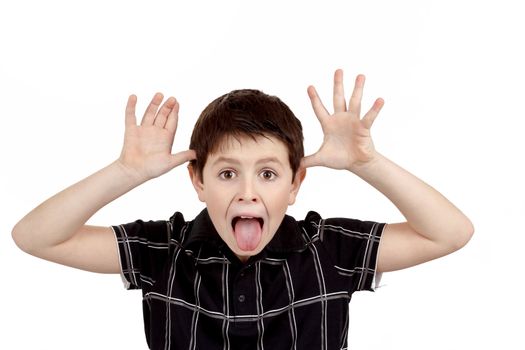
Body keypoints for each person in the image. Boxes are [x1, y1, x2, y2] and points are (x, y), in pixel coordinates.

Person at [12, 69, 474, 349]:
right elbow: (35, 236)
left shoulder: (327, 249)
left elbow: (449, 232)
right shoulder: (163, 251)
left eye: (269, 174)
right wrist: (126, 173)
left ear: (296, 185)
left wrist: (367, 162)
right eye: (228, 173)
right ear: (198, 181)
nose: (248, 193)